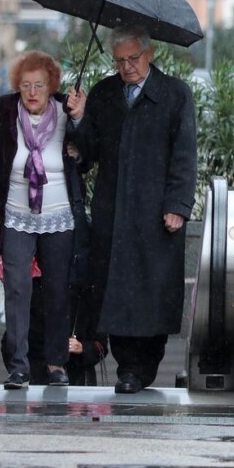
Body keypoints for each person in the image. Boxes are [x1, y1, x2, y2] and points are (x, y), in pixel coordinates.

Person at [67, 25, 196, 394]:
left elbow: (185, 155)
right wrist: (78, 118)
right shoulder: (105, 94)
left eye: (133, 59)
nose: (127, 67)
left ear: (150, 53)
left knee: (151, 292)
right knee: (117, 291)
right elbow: (88, 152)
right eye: (120, 60)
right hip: (113, 210)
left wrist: (178, 205)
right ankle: (128, 369)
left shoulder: (174, 94)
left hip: (156, 213)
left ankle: (144, 365)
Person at [0, 50, 87, 390]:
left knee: (58, 289)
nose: (32, 92)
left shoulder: (65, 110)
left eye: (39, 85)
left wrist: (81, 121)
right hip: (14, 214)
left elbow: (91, 151)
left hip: (59, 216)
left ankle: (57, 364)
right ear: (17, 85)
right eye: (26, 85)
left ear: (51, 85)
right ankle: (18, 367)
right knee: (17, 289)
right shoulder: (3, 109)